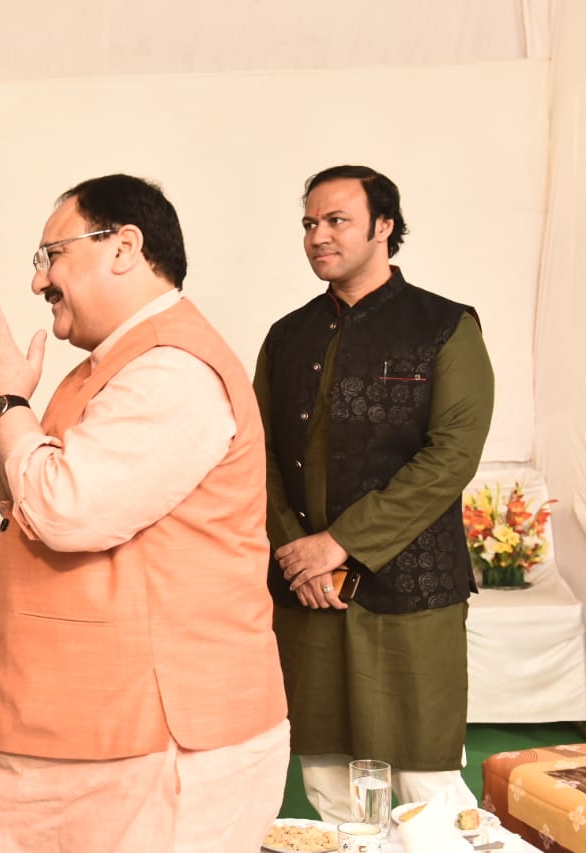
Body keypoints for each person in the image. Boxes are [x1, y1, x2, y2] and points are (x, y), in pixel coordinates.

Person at [0, 173, 290, 851]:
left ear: (124, 247)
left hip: (157, 735)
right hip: (77, 726)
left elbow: (67, 508)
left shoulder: (173, 369)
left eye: (52, 256)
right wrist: (1, 401)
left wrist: (5, 403)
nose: (39, 282)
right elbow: (15, 492)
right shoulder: (103, 367)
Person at [253, 164, 495, 822]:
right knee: (329, 781)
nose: (318, 236)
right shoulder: (287, 335)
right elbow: (258, 454)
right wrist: (298, 555)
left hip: (410, 589)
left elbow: (451, 458)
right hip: (309, 593)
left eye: (336, 220)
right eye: (309, 223)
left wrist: (339, 543)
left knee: (428, 790)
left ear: (383, 226)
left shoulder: (445, 327)